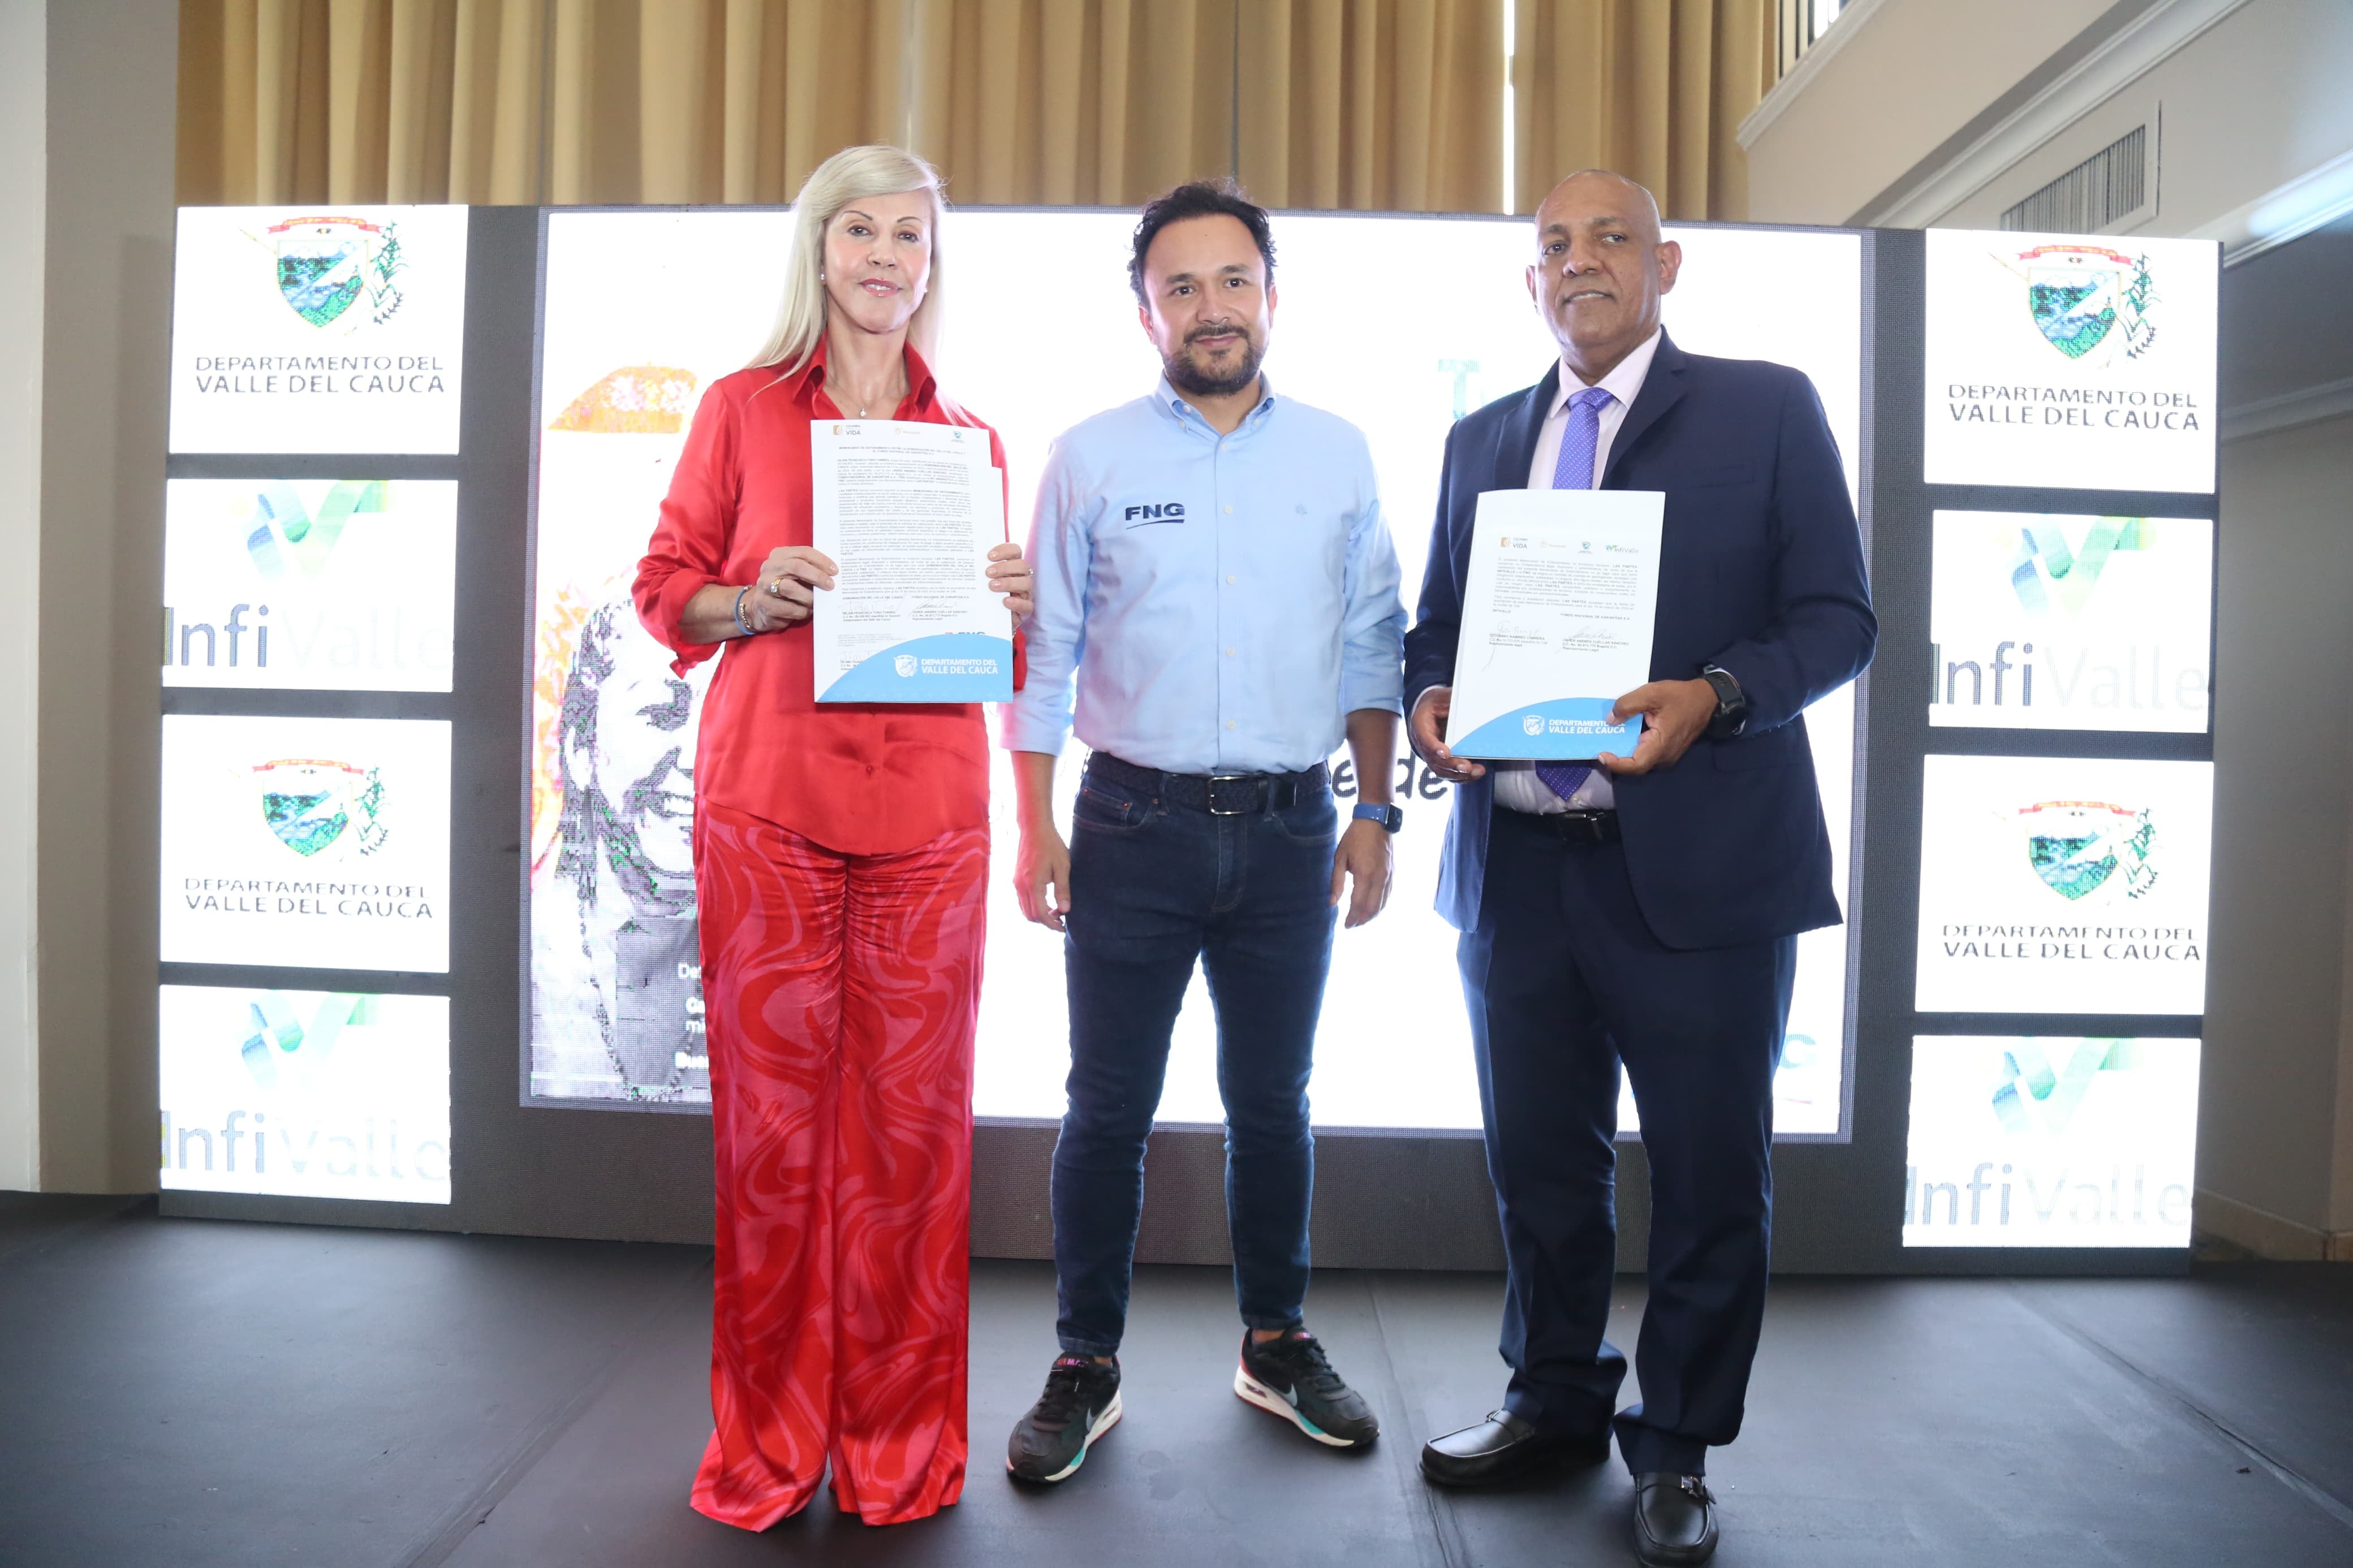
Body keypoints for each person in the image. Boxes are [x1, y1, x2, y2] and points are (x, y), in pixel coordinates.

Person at [1404, 170, 1875, 1567]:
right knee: (1540, 1170)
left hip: (1703, 877)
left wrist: (1715, 696)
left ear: (1665, 266)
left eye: (1611, 237)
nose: (1581, 261)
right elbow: (1436, 629)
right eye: (1554, 244)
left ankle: (1674, 1445)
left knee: (1709, 1177)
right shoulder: (1480, 437)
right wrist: (1432, 701)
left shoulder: (1766, 407)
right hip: (1519, 872)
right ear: (1529, 282)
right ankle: (1552, 1399)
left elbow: (1836, 619)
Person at [632, 144, 1035, 1530]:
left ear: (931, 264)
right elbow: (665, 589)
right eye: (859, 230)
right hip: (772, 805)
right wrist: (753, 595)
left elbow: (992, 653)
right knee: (773, 1145)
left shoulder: (971, 439)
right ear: (819, 249)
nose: (883, 256)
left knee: (913, 1147)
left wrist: (1011, 598)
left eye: (908, 236)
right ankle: (766, 1445)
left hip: (931, 812)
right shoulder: (740, 408)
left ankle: (898, 1451)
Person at [1000, 179, 1408, 1483]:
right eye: (1180, 287)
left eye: (1234, 280)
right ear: (1146, 313)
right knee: (1106, 1105)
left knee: (1273, 1103)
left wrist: (1375, 812)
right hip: (1131, 823)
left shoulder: (1339, 453)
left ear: (1272, 296)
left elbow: (1373, 646)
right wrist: (1033, 824)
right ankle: (1085, 1361)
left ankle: (1275, 1339)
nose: (1211, 306)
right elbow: (1046, 651)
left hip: (1292, 831)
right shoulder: (1090, 457)